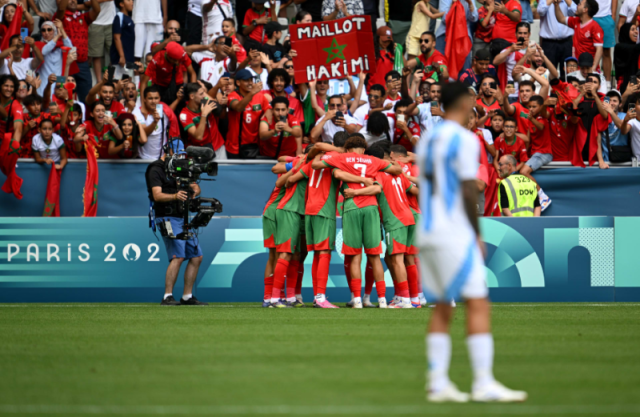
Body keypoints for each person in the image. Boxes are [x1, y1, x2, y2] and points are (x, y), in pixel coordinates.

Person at [416, 81, 527, 403]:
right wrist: (475, 232)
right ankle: (483, 382)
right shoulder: (464, 139)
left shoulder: (427, 139)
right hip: (453, 230)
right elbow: (468, 189)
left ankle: (437, 383)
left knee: (441, 308)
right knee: (477, 301)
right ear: (464, 104)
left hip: (428, 229)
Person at [312, 135, 402, 309]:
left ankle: (358, 301)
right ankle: (382, 300)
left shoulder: (341, 157)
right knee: (375, 256)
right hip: (371, 207)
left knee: (355, 257)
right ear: (364, 148)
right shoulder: (373, 160)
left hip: (352, 207)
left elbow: (317, 165)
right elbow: (397, 170)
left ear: (347, 148)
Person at [146, 139, 207, 306]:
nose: (181, 157)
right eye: (178, 154)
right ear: (168, 151)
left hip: (183, 216)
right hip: (166, 217)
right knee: (178, 256)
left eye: (182, 154)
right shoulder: (156, 168)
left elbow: (196, 187)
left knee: (196, 256)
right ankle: (167, 296)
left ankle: (187, 296)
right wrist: (175, 196)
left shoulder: (180, 167)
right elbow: (157, 195)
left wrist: (194, 189)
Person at [56, 0, 100, 104]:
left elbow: (97, 10)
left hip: (83, 64)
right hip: (65, 63)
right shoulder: (59, 16)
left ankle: (84, 119)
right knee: (62, 93)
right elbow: (61, 8)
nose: (72, 1)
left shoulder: (83, 17)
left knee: (87, 98)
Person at [226, 69, 272, 159]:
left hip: (254, 145)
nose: (250, 83)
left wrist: (265, 121)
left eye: (251, 80)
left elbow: (269, 112)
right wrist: (252, 93)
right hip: (235, 146)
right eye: (246, 80)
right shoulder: (233, 95)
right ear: (238, 83)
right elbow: (238, 108)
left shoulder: (260, 97)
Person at [133, 86, 182, 160]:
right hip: (142, 159)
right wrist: (155, 122)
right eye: (150, 98)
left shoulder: (165, 112)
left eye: (156, 98)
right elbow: (143, 133)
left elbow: (173, 129)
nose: (153, 101)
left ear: (160, 99)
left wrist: (166, 154)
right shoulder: (138, 112)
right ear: (144, 99)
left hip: (161, 159)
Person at [554, 0, 602, 75]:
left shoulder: (595, 27)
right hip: (577, 68)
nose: (577, 5)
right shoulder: (576, 21)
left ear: (585, 9)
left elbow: (599, 49)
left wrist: (593, 68)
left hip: (588, 69)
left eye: (580, 4)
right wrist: (556, 5)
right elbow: (561, 19)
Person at [538, 0, 575, 80]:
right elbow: (540, 11)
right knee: (548, 73)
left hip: (566, 42)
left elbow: (576, 11)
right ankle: (549, 92)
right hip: (549, 43)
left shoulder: (567, 1)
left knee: (567, 73)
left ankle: (566, 92)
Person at [36, 20, 73, 96]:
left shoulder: (60, 48)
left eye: (49, 29)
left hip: (58, 86)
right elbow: (44, 51)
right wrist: (57, 36)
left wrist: (62, 30)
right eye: (43, 30)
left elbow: (71, 50)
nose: (46, 32)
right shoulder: (38, 45)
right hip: (43, 85)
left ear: (54, 31)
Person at [88, 0, 115, 82]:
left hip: (111, 22)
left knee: (114, 55)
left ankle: (110, 81)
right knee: (96, 55)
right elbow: (86, 3)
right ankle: (99, 82)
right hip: (95, 22)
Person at [600, 90, 630, 164]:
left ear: (620, 104)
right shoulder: (600, 118)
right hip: (606, 160)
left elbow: (621, 125)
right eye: (609, 100)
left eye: (614, 101)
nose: (612, 103)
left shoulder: (625, 116)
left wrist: (610, 111)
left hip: (623, 159)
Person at [110, 0, 135, 80]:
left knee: (128, 84)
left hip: (129, 59)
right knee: (115, 84)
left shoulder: (129, 18)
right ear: (121, 4)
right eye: (128, 0)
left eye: (132, 0)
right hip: (120, 60)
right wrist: (121, 56)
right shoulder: (119, 16)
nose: (132, 2)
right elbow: (116, 37)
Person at [614, 96, 640, 160]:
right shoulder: (632, 121)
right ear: (634, 107)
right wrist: (625, 120)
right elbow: (623, 131)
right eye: (639, 104)